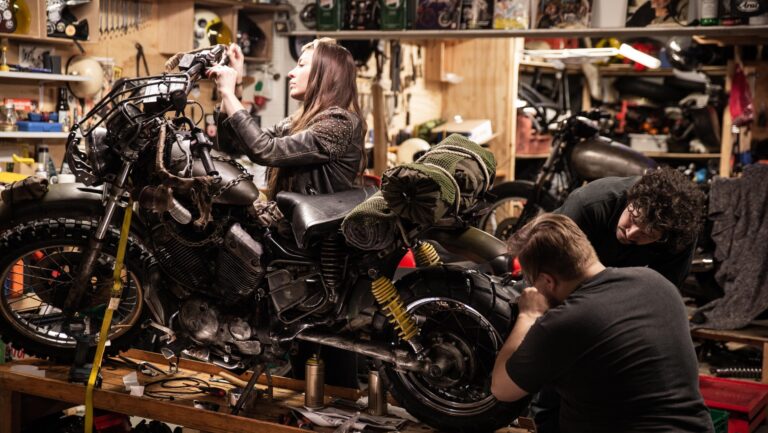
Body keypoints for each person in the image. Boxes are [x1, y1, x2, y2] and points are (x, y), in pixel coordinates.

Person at [491, 213, 714, 433]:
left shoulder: (563, 323)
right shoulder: (658, 283)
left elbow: (501, 388)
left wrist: (528, 315)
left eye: (534, 281)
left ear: (548, 280)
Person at [208, 38, 366, 200]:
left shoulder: (339, 122)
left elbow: (265, 150)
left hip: (312, 224)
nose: (291, 72)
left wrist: (228, 92)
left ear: (326, 73)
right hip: (289, 221)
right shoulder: (298, 120)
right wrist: (235, 85)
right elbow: (232, 144)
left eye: (301, 65)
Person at [554, 166, 705, 288]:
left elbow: (663, 290)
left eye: (649, 234)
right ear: (631, 199)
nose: (631, 233)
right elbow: (554, 273)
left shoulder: (679, 233)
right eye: (633, 218)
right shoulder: (589, 203)